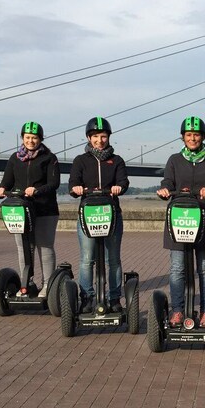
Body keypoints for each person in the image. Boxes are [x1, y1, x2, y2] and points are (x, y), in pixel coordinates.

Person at [156, 116, 205, 328]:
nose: (193, 138)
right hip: (179, 219)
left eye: (196, 135)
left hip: (204, 219)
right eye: (189, 135)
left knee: (204, 267)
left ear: (202, 137)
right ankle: (177, 310)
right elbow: (168, 181)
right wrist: (165, 189)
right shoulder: (174, 160)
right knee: (177, 268)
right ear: (183, 137)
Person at [68, 117, 130, 313]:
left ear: (108, 137)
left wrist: (119, 187)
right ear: (88, 137)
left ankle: (114, 298)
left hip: (112, 214)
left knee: (113, 259)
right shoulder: (80, 160)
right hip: (88, 214)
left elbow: (124, 181)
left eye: (103, 136)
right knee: (87, 259)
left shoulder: (117, 160)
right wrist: (76, 189)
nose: (99, 140)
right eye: (95, 136)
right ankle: (86, 298)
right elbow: (72, 184)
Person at [0, 121, 60, 297]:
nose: (31, 141)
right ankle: (27, 283)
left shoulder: (49, 158)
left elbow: (54, 183)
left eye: (34, 138)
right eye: (27, 137)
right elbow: (7, 181)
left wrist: (37, 190)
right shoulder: (15, 158)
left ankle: (48, 285)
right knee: (24, 246)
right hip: (21, 209)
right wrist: (1, 189)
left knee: (44, 247)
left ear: (41, 139)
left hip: (45, 209)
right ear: (22, 138)